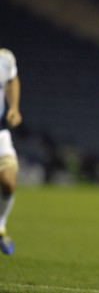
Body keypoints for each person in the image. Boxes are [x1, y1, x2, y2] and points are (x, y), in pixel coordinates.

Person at [0, 48, 22, 255]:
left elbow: (12, 79)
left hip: (0, 134)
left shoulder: (5, 58)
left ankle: (1, 225)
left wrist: (13, 107)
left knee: (8, 181)